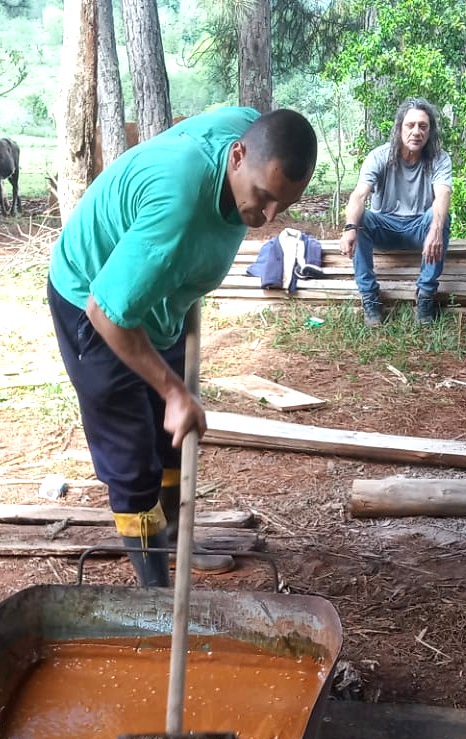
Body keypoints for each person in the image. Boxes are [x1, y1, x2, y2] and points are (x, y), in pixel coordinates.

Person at [47, 108, 317, 587]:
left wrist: (173, 395)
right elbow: (106, 311)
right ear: (237, 157)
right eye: (263, 198)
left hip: (156, 297)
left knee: (173, 436)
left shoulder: (248, 130)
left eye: (284, 205)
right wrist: (173, 390)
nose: (269, 218)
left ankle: (172, 540)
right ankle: (156, 593)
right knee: (133, 455)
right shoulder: (177, 207)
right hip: (93, 299)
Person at [340, 97, 452, 327]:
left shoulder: (439, 158)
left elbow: (442, 196)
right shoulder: (379, 156)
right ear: (399, 127)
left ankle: (425, 296)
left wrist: (436, 228)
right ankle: (370, 297)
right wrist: (350, 227)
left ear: (430, 131)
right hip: (385, 226)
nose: (416, 132)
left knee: (440, 216)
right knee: (361, 217)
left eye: (423, 126)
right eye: (410, 125)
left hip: (420, 227)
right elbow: (359, 195)